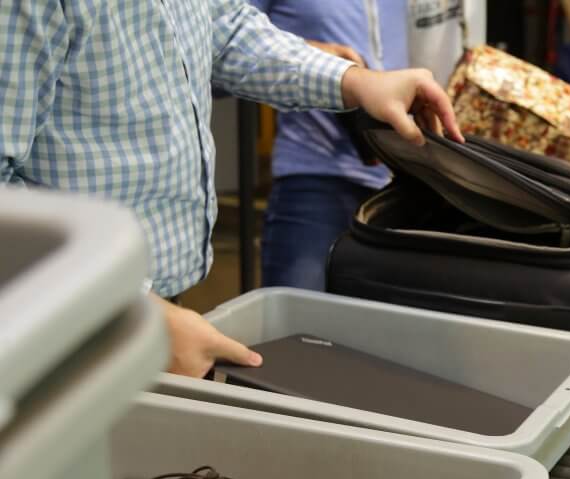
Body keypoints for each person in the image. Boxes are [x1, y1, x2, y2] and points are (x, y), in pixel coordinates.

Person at [1, 0, 462, 378]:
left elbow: (228, 30)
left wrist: (354, 82)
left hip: (161, 313)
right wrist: (132, 311)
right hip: (70, 330)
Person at [249, 1, 408, 291]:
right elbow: (213, 53)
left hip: (400, 183)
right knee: (297, 326)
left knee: (382, 331)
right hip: (315, 176)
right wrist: (310, 54)